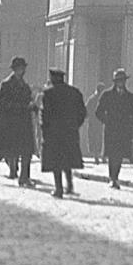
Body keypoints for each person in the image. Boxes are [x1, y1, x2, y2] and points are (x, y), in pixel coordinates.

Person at [0, 57, 36, 186]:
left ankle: (24, 177)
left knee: (26, 151)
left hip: (23, 123)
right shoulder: (6, 84)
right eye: (19, 68)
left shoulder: (24, 85)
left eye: (23, 68)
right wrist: (22, 106)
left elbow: (27, 99)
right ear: (15, 69)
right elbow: (3, 103)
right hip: (9, 123)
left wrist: (32, 106)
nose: (21, 71)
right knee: (2, 151)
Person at [40, 69, 87, 198]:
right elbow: (82, 112)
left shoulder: (48, 93)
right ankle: (70, 185)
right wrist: (75, 125)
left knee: (56, 162)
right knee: (67, 159)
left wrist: (44, 130)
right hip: (70, 132)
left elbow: (45, 115)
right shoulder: (74, 92)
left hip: (54, 133)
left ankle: (59, 188)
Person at [95, 68, 133, 190]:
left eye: (123, 81)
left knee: (119, 155)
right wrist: (107, 120)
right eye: (119, 81)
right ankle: (112, 177)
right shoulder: (107, 95)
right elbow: (98, 112)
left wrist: (130, 124)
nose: (121, 83)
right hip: (111, 129)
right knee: (112, 154)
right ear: (115, 82)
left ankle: (116, 177)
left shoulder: (129, 97)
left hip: (124, 130)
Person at [85, 83, 105, 164]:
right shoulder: (103, 98)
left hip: (94, 122)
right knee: (100, 138)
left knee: (95, 138)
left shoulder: (92, 99)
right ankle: (102, 156)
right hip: (100, 122)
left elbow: (86, 109)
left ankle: (97, 155)